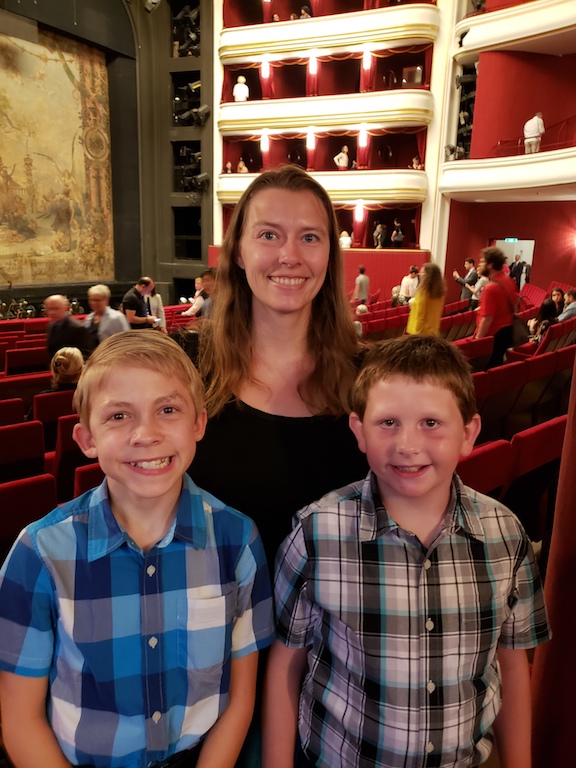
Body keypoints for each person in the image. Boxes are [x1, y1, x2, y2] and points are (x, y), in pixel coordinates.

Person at [263, 335, 550, 768]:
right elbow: (286, 664)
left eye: (431, 423)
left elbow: (512, 665)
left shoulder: (506, 534)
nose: (408, 445)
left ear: (469, 433)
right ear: (359, 431)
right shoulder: (315, 535)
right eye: (388, 423)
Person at [0, 331, 275, 768]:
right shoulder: (40, 553)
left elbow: (240, 697)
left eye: (168, 409)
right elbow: (19, 718)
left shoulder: (237, 540)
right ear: (86, 439)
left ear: (199, 423)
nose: (146, 434)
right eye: (118, 416)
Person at [475, 246, 518, 368]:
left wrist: (478, 340)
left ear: (490, 264)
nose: (479, 264)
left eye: (482, 261)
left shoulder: (490, 287)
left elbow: (487, 319)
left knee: (484, 372)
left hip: (493, 336)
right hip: (506, 332)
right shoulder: (508, 280)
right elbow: (514, 304)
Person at [45, 293, 94, 358]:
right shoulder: (51, 325)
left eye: (56, 309)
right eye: (50, 309)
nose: (52, 312)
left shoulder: (78, 328)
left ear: (66, 308)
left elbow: (85, 355)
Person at [406, 261, 446, 335]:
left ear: (428, 275)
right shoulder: (440, 292)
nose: (420, 274)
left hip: (420, 331)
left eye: (422, 272)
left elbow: (420, 314)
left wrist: (416, 332)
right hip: (433, 330)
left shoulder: (423, 292)